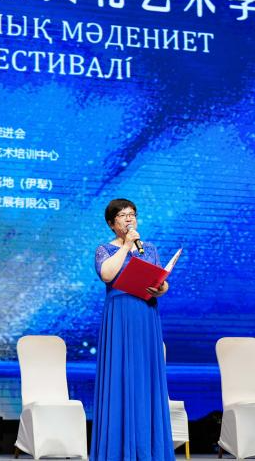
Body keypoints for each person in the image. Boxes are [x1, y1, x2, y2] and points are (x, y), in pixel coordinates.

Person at [91, 198, 174, 461]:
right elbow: (107, 275)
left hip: (146, 315)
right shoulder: (104, 249)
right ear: (111, 223)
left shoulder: (149, 248)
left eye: (133, 214)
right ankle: (117, 451)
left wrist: (161, 288)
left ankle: (147, 449)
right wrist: (126, 246)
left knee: (146, 377)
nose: (129, 219)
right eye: (123, 215)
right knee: (120, 374)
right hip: (120, 316)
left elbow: (161, 282)